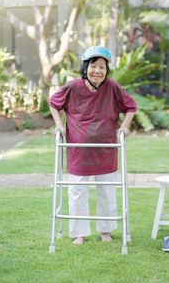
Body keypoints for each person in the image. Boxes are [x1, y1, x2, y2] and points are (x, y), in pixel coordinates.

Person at [49, 46, 137, 245]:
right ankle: (78, 233)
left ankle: (106, 230)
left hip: (106, 150)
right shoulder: (72, 87)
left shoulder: (113, 87)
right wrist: (58, 124)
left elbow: (131, 106)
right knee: (77, 191)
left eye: (102, 68)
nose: (97, 71)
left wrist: (125, 125)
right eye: (93, 66)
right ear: (85, 68)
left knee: (106, 190)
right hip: (78, 151)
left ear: (107, 71)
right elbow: (54, 103)